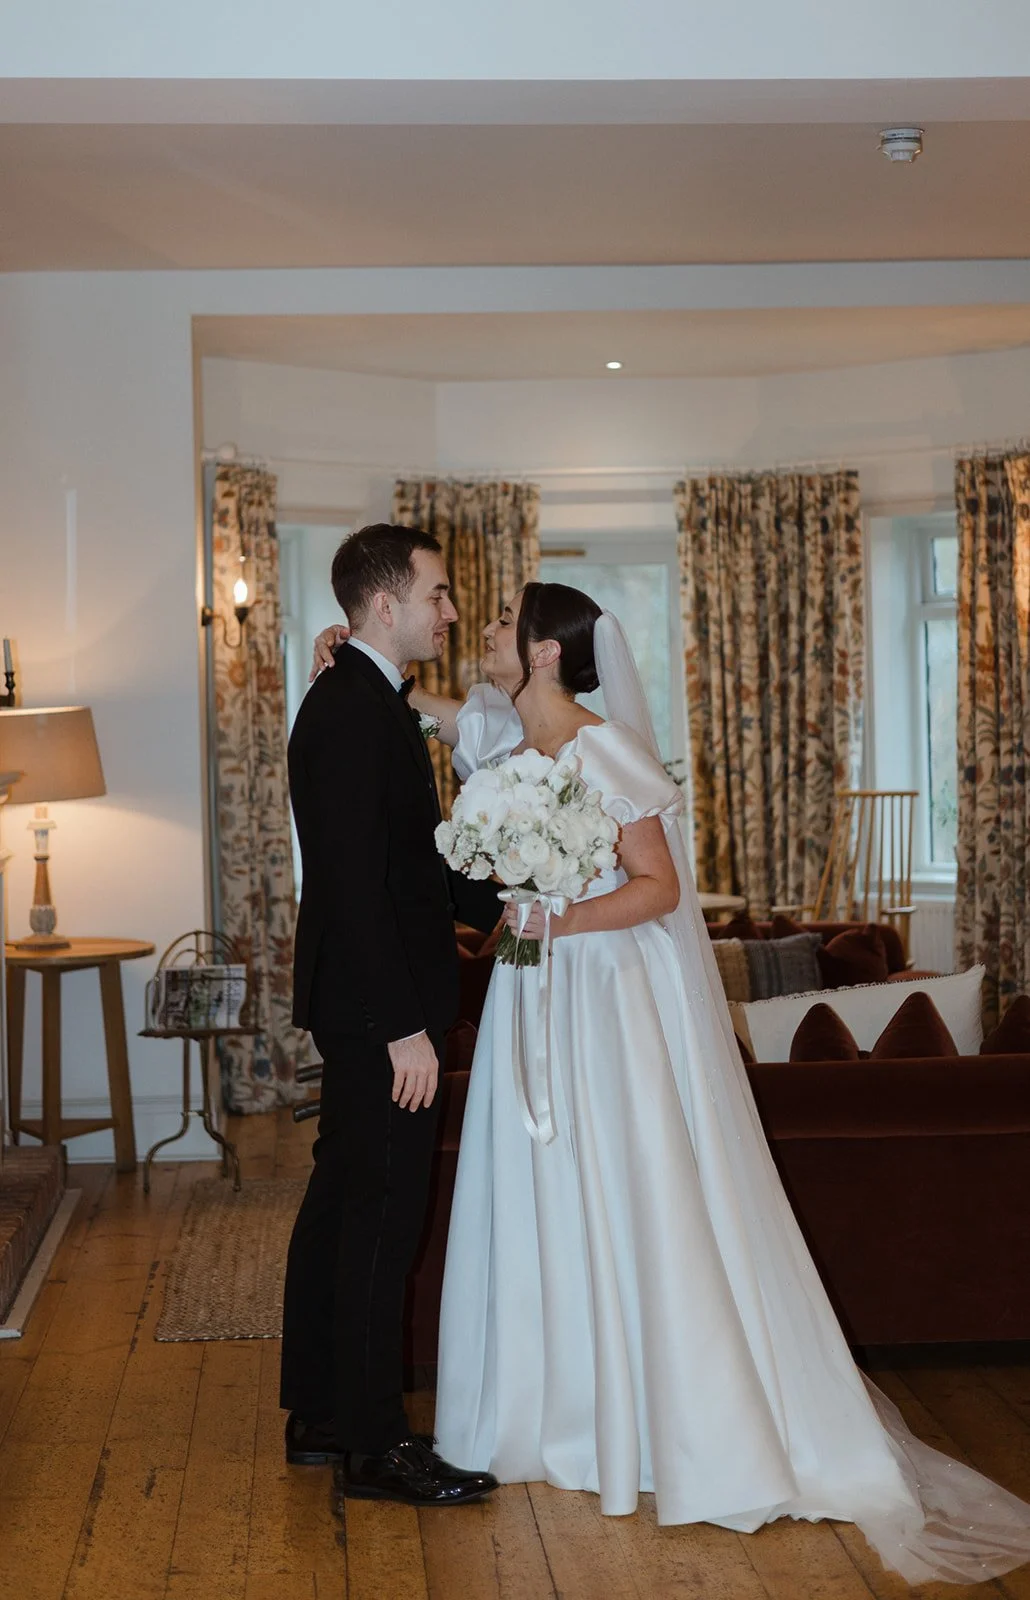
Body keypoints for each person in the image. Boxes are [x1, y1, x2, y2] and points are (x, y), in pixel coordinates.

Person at [310, 583, 1030, 1585]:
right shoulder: (504, 741)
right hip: (530, 997)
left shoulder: (610, 753)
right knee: (533, 1190)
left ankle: (653, 1424)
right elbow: (432, 711)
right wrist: (350, 656)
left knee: (626, 1191)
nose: (475, 634)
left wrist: (556, 917)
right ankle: (546, 1412)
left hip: (605, 1002)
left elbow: (658, 888)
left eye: (495, 629)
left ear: (547, 654)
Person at [281, 523, 498, 1511]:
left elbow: (409, 862)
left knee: (343, 1201)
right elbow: (353, 888)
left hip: (376, 1002)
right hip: (381, 1012)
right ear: (384, 605)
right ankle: (376, 1444)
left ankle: (325, 1411)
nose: (447, 611)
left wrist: (511, 896)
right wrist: (401, 1024)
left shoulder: (372, 701)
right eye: (438, 594)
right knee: (381, 1217)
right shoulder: (348, 713)